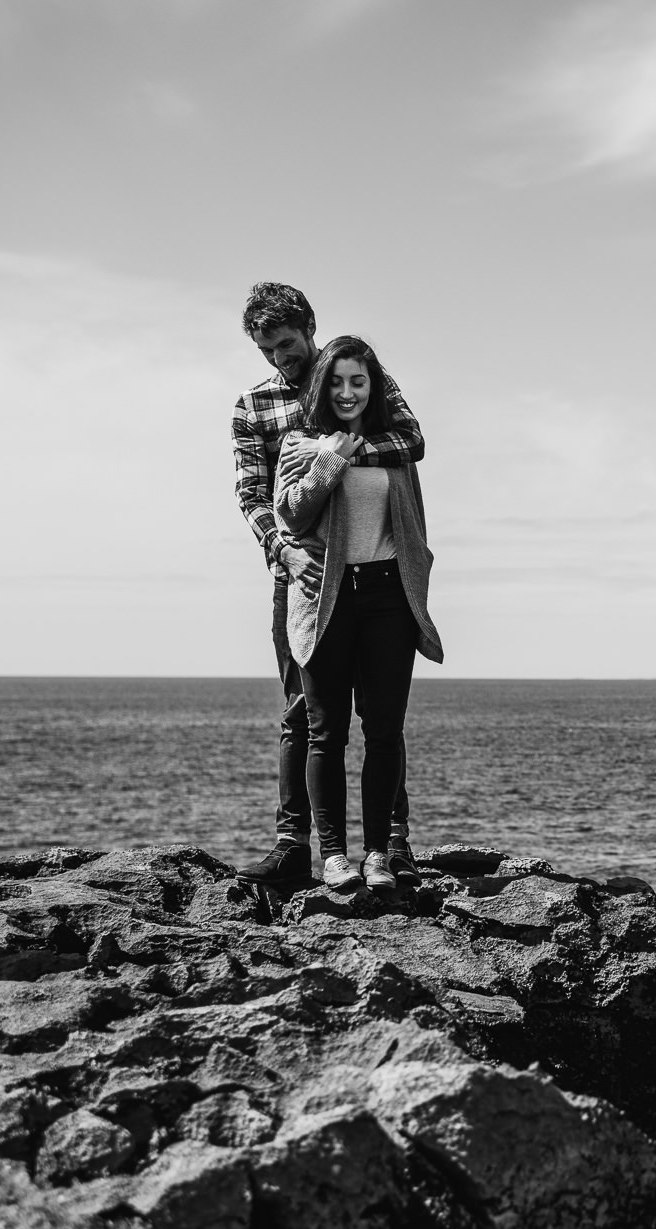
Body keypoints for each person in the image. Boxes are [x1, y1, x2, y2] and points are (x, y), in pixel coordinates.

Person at [230, 283, 426, 887]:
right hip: (302, 576)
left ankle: (392, 845)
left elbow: (411, 440)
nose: (278, 359)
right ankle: (296, 845)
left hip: (375, 576)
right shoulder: (254, 406)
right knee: (304, 714)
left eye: (286, 344)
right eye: (266, 349)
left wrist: (342, 452)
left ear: (309, 327)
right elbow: (252, 494)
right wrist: (283, 550)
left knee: (380, 713)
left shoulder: (355, 373)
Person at [273, 336, 444, 891]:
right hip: (328, 594)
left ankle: (377, 856)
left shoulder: (393, 446)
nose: (348, 392)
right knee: (326, 733)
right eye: (339, 382)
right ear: (323, 386)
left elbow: (413, 514)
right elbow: (291, 517)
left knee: (386, 730)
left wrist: (421, 563)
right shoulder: (300, 443)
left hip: (389, 593)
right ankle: (333, 858)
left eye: (359, 381)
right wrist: (328, 463)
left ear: (373, 386)